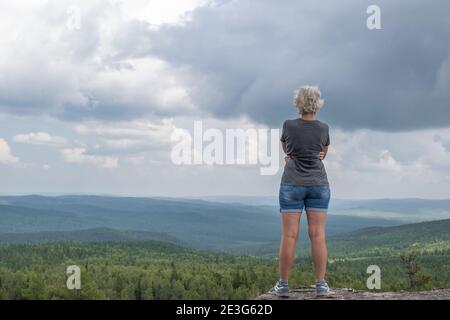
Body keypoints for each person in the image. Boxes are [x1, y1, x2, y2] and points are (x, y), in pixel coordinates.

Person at [269, 85, 334, 297]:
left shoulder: (288, 125)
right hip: (318, 184)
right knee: (318, 235)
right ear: (317, 103)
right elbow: (323, 152)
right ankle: (321, 284)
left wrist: (290, 156)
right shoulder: (323, 128)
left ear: (298, 103)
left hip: (292, 184)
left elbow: (285, 147)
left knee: (289, 235)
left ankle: (283, 285)